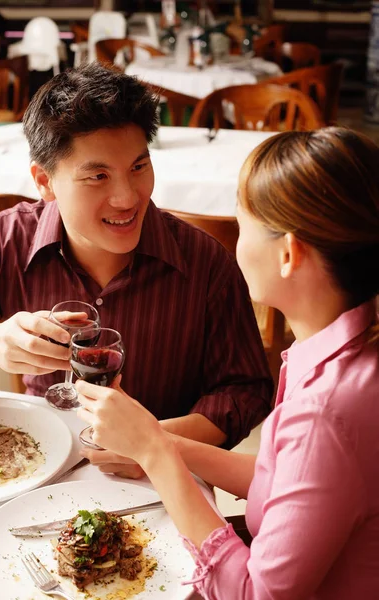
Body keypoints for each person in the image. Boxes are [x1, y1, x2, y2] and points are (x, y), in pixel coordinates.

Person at [77, 127, 379, 599]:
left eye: (243, 226)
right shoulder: (348, 353)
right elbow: (288, 480)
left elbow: (254, 593)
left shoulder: (328, 410)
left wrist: (157, 455)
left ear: (288, 253)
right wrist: (155, 442)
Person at [0, 62, 272, 477]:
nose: (126, 198)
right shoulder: (2, 242)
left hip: (163, 486)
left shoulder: (205, 262)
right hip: (36, 467)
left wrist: (157, 446)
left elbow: (245, 390)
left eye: (138, 167)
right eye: (98, 176)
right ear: (44, 181)